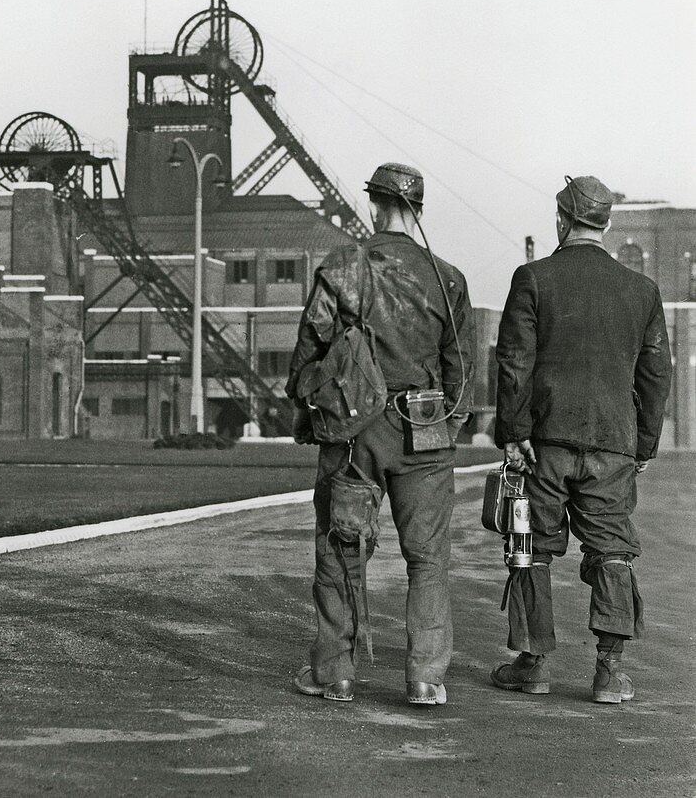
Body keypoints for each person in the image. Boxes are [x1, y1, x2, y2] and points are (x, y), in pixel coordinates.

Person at [286, 162, 475, 706]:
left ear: (374, 204)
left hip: (356, 431)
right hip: (426, 431)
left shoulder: (346, 265)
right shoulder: (450, 278)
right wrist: (446, 425)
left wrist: (306, 405)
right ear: (419, 210)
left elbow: (311, 344)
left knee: (342, 547)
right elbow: (460, 372)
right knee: (428, 558)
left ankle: (336, 673)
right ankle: (424, 678)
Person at [490, 175, 672, 703]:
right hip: (612, 445)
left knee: (529, 547)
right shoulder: (642, 291)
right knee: (613, 550)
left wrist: (513, 433)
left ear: (560, 219)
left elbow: (513, 363)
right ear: (606, 223)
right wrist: (642, 444)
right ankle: (610, 672)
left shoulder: (533, 277)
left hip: (543, 444)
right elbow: (656, 375)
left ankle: (533, 663)